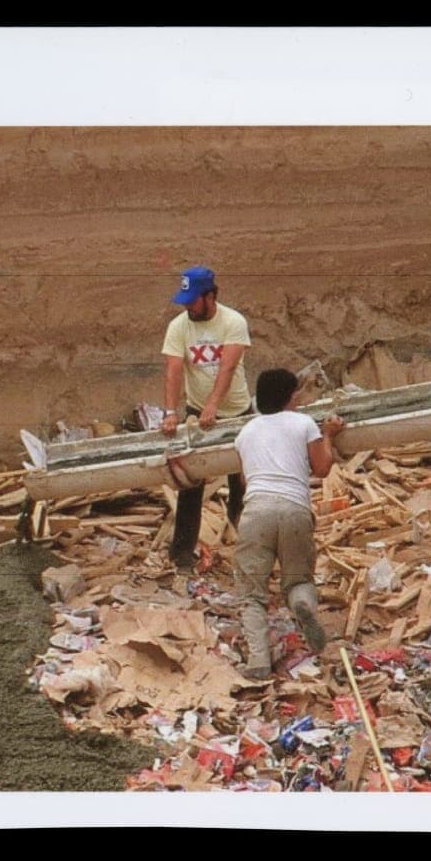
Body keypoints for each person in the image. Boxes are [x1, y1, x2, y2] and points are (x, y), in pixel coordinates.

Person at [232, 368, 346, 679]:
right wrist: (330, 436)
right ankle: (301, 604)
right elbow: (322, 468)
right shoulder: (304, 423)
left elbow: (245, 479)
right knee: (297, 579)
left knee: (251, 592)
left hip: (256, 509)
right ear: (289, 397)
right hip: (295, 507)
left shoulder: (245, 432)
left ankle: (258, 661)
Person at [159, 265, 253, 574]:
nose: (187, 307)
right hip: (197, 413)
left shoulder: (233, 322)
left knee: (242, 483)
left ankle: (248, 545)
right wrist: (172, 412)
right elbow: (173, 370)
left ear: (210, 296)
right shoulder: (179, 327)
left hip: (237, 411)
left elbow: (227, 368)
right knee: (191, 483)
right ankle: (182, 553)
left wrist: (215, 405)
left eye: (193, 301)